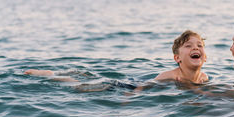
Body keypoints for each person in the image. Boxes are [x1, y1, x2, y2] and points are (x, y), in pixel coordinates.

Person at [25, 30, 208, 89]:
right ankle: (50, 74)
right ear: (177, 58)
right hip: (127, 85)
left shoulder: (204, 78)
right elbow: (143, 86)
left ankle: (71, 73)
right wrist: (129, 97)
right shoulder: (170, 75)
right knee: (84, 87)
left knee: (89, 79)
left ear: (204, 57)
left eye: (199, 46)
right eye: (188, 46)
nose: (195, 48)